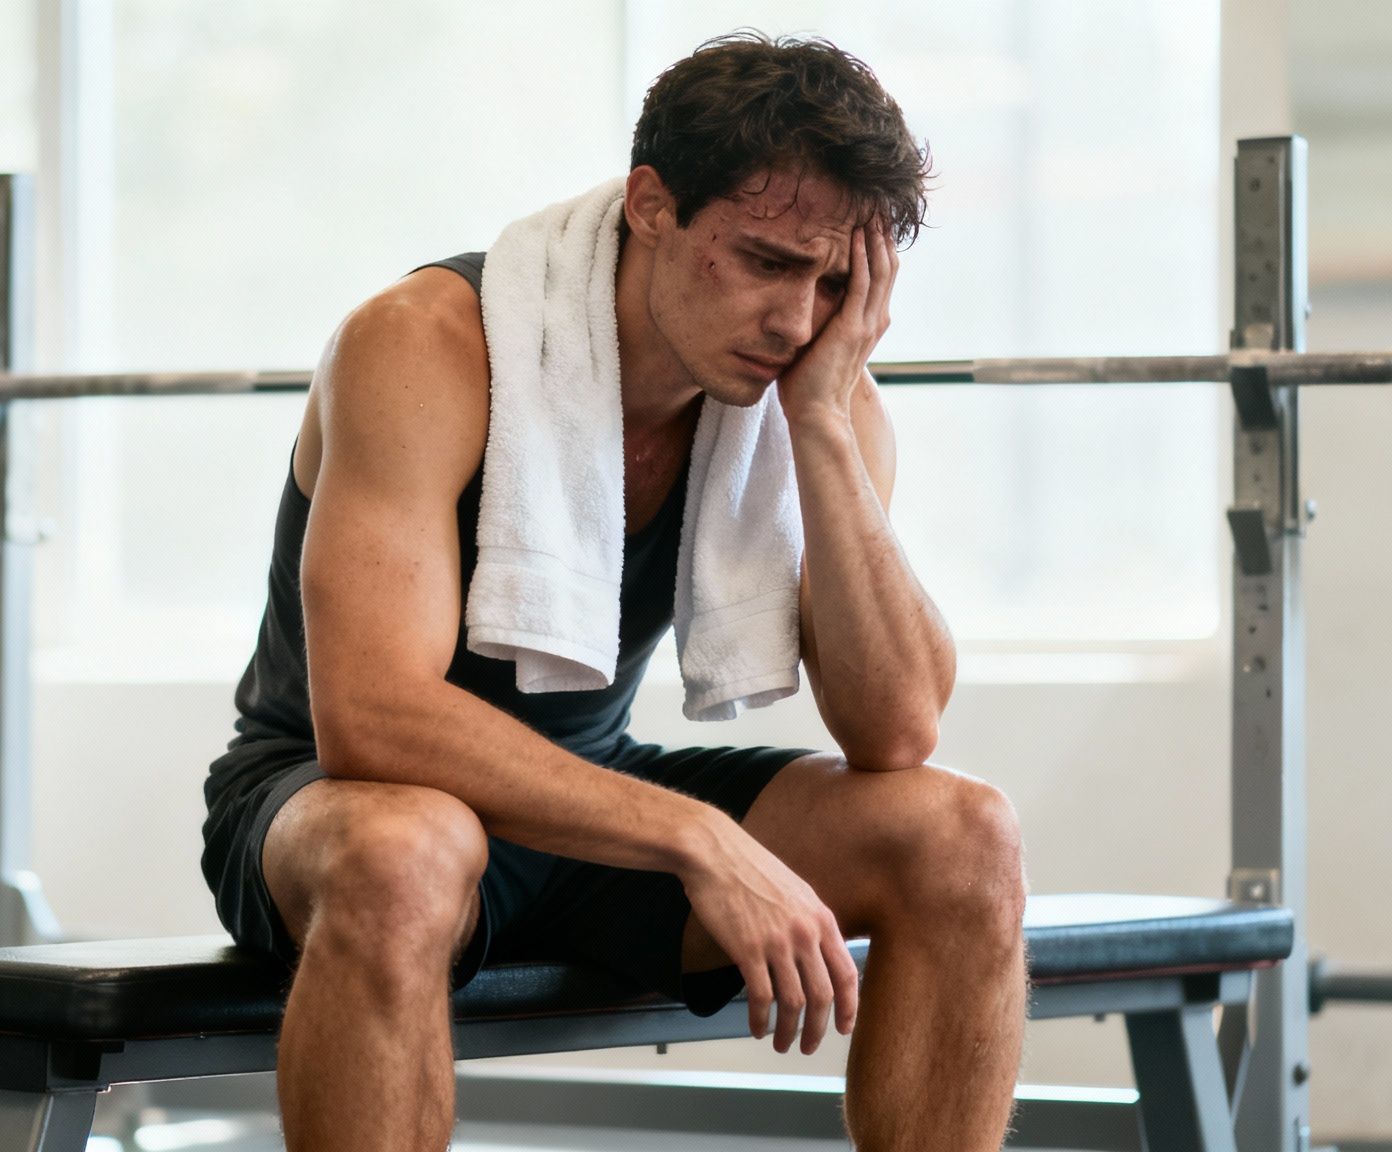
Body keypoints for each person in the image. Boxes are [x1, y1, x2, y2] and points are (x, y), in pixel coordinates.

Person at [201, 31, 1027, 1152]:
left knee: (962, 835)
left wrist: (824, 428)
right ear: (650, 205)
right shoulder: (424, 344)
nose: (796, 321)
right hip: (328, 806)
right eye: (765, 260)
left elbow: (895, 729)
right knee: (409, 850)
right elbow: (370, 719)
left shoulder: (813, 392)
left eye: (833, 280)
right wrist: (693, 836)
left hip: (578, 806)